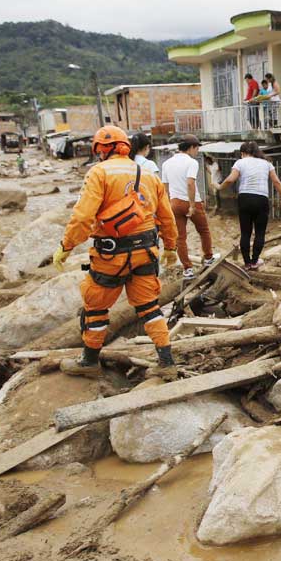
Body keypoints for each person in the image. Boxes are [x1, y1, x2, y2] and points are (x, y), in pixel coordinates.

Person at [51, 125, 179, 380]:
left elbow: (82, 217)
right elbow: (166, 217)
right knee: (149, 307)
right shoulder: (148, 174)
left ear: (100, 149)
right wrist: (172, 247)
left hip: (111, 256)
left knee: (96, 308)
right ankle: (166, 361)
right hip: (146, 252)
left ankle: (89, 361)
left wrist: (65, 247)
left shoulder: (98, 173)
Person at [218, 141, 281, 269]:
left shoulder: (240, 162)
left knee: (246, 233)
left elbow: (230, 180)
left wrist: (219, 187)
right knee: (260, 233)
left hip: (245, 198)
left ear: (243, 153)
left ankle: (247, 263)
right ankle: (255, 261)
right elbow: (277, 182)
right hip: (262, 198)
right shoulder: (267, 163)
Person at [161, 134, 214, 279]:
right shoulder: (192, 162)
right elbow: (190, 184)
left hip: (174, 202)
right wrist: (191, 205)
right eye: (197, 148)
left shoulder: (166, 164)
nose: (197, 152)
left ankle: (188, 269)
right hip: (191, 201)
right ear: (191, 147)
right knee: (204, 230)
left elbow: (165, 188)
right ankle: (208, 258)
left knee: (180, 238)